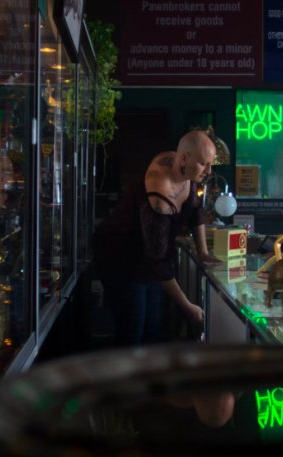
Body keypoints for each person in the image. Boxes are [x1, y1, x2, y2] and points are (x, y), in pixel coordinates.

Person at [94, 130, 221, 347]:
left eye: (210, 164)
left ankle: (149, 377)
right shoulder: (159, 197)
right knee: (133, 330)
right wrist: (188, 307)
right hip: (121, 258)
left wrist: (203, 251)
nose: (208, 171)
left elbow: (195, 211)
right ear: (184, 158)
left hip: (148, 256)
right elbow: (158, 262)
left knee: (154, 326)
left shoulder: (178, 163)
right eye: (203, 164)